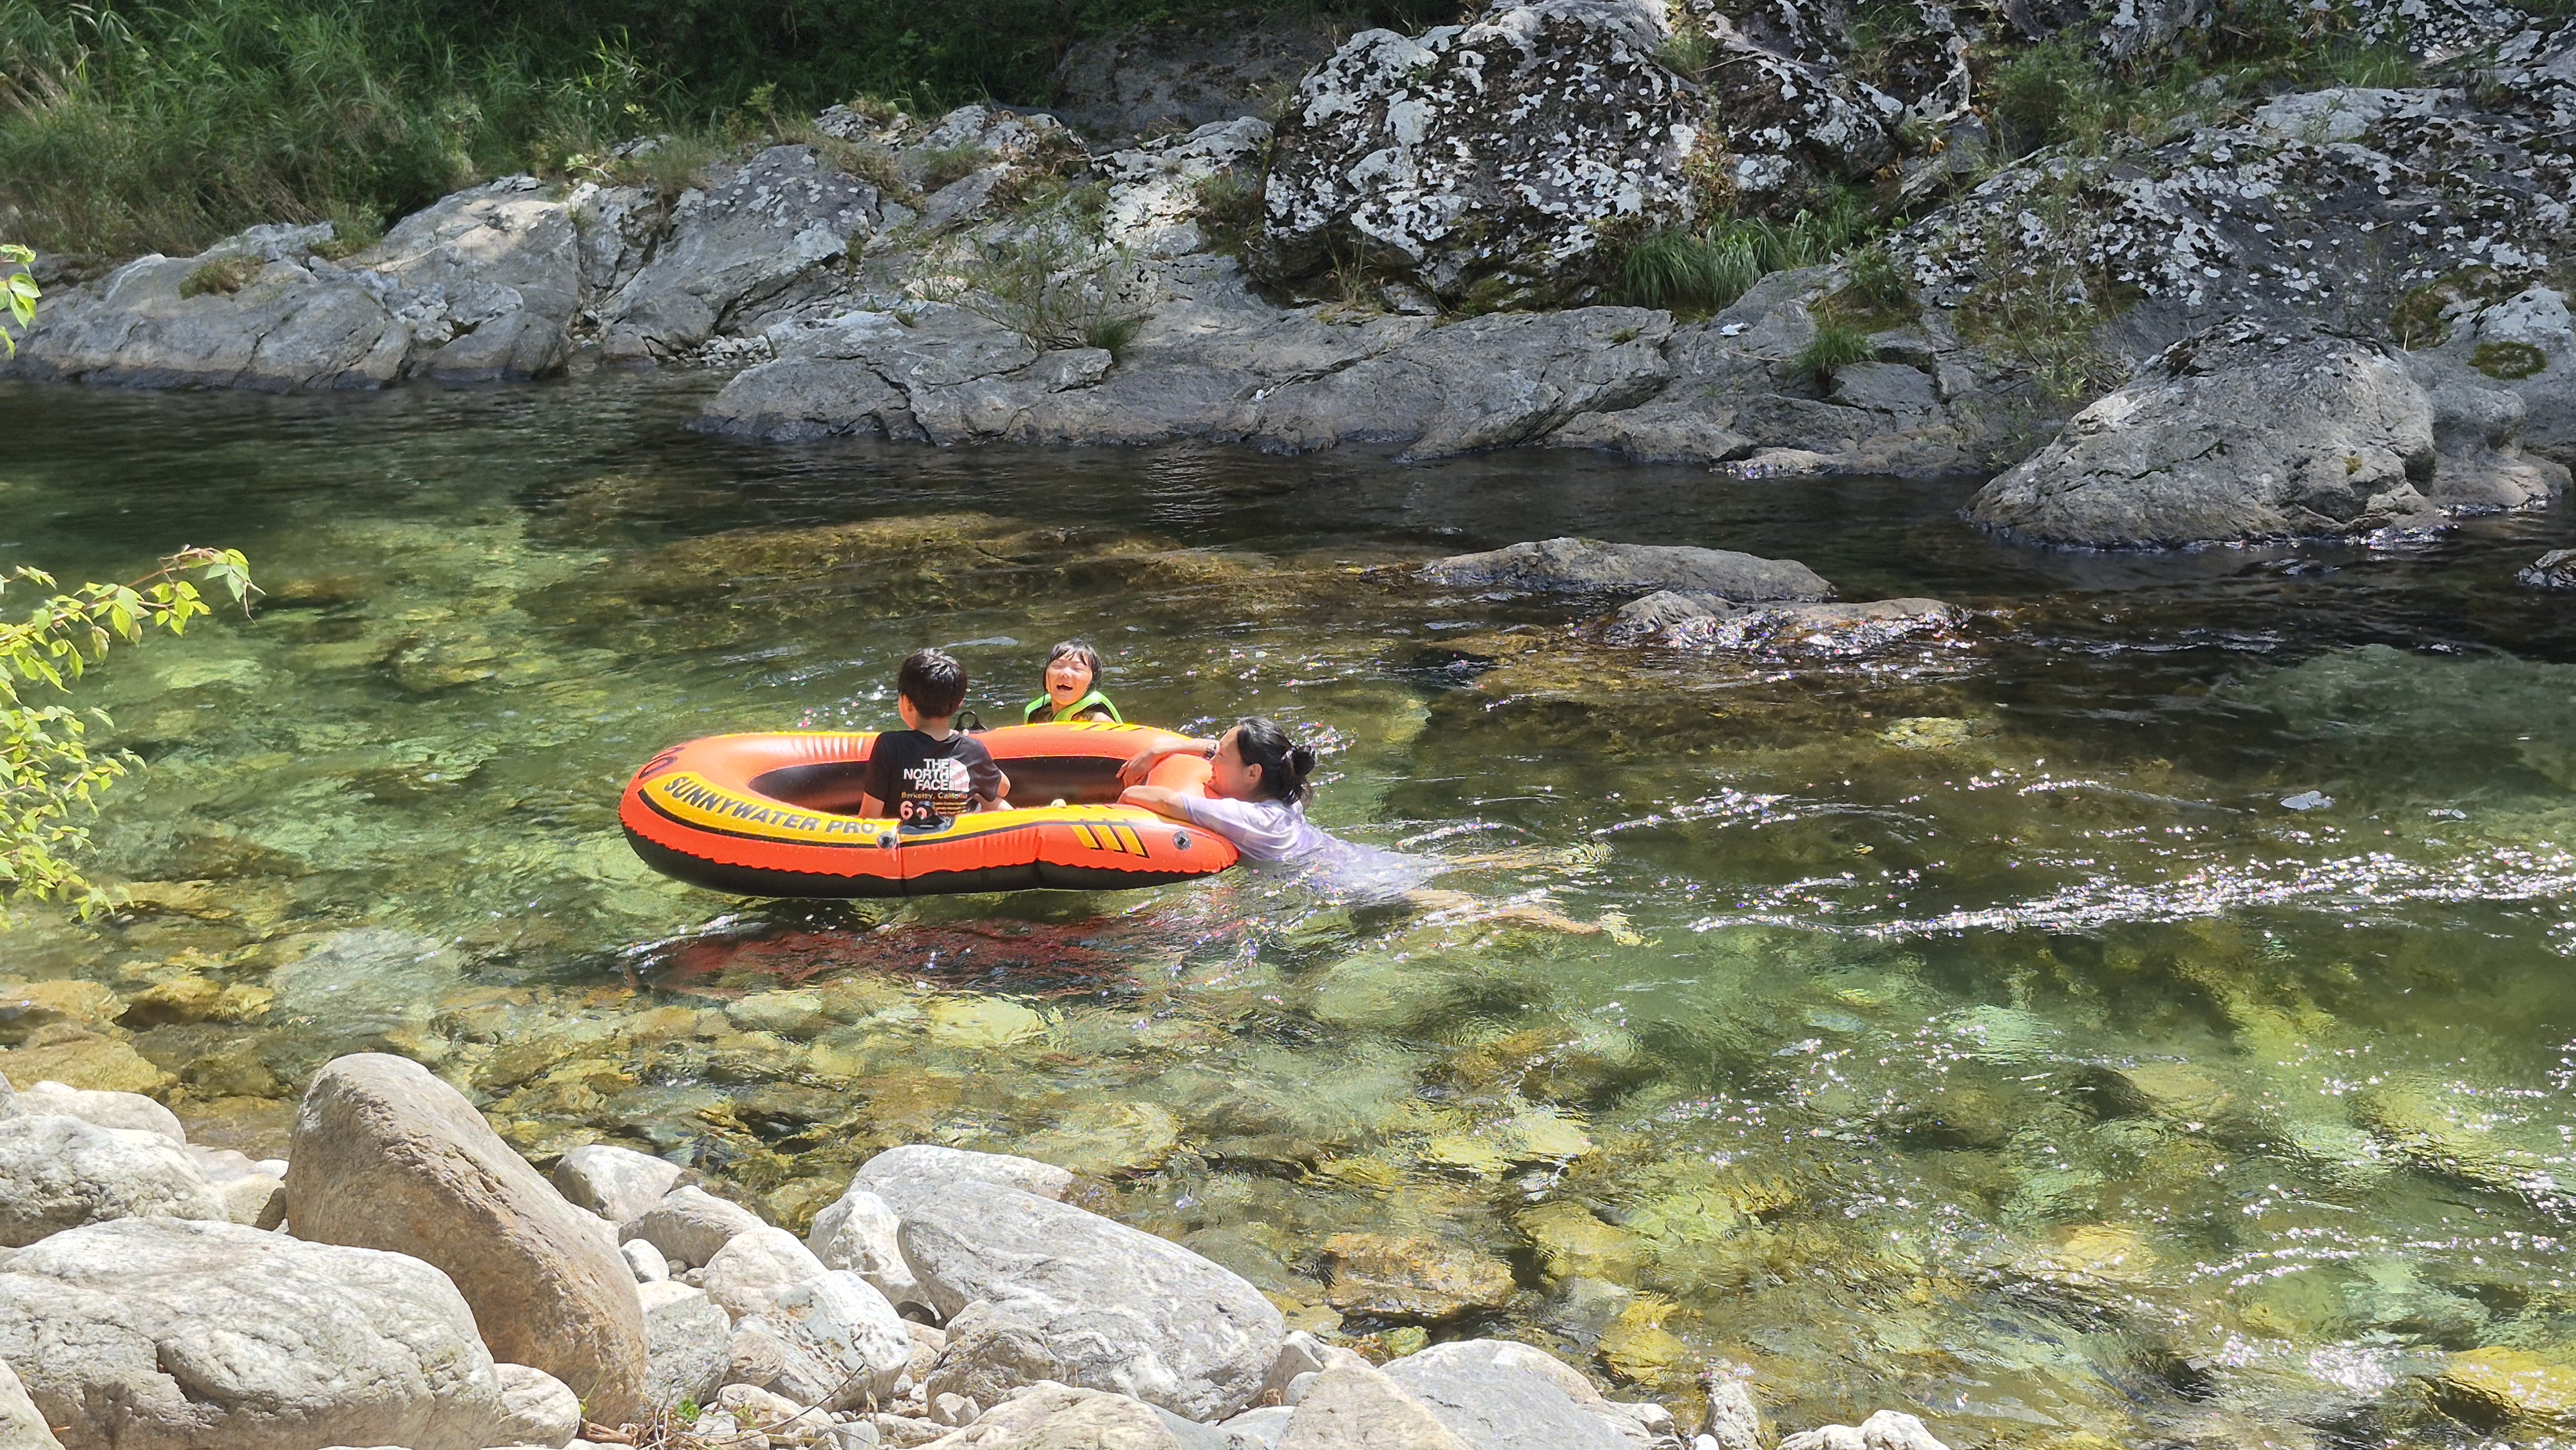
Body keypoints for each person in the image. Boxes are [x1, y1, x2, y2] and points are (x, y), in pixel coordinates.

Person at [1121, 716, 1609, 932]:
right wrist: (1176, 747)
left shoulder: (1247, 815)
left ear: (1252, 774)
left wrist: (1139, 779)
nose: (1209, 763)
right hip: (1358, 858)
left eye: (1217, 756)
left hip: (1355, 881)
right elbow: (1233, 756)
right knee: (1453, 865)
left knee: (1471, 909)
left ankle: (1582, 927)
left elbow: (1152, 798)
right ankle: (1554, 859)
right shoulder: (1283, 794)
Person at [860, 649, 1009, 829]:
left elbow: (869, 820)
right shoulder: (972, 750)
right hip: (955, 846)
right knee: (985, 797)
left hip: (904, 849)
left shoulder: (889, 745)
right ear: (960, 701)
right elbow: (1004, 788)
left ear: (907, 702)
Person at [1023, 640, 1122, 724]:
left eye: (1077, 668)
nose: (1065, 673)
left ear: (1092, 681)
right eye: (1058, 666)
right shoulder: (1039, 715)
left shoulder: (1098, 722)